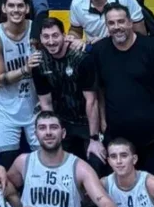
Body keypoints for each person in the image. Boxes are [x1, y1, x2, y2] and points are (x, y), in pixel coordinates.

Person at [90, 3, 154, 177]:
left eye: (121, 22)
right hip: (117, 135)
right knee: (120, 186)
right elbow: (99, 92)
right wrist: (103, 121)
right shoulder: (99, 51)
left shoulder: (152, 48)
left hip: (152, 134)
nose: (117, 27)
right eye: (111, 23)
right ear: (107, 25)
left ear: (130, 23)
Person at [33, 18, 104, 169]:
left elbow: (91, 101)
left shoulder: (82, 59)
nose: (51, 41)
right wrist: (51, 132)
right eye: (46, 37)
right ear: (40, 38)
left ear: (64, 35)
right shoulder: (39, 63)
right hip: (62, 123)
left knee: (96, 163)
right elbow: (46, 103)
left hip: (86, 123)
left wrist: (94, 138)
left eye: (55, 35)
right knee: (61, 167)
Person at [0, 0, 40, 168]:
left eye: (20, 6)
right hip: (7, 108)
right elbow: (0, 79)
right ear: (3, 8)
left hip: (36, 106)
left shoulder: (36, 29)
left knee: (43, 161)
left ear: (26, 8)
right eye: (11, 5)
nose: (15, 10)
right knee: (7, 163)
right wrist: (25, 69)